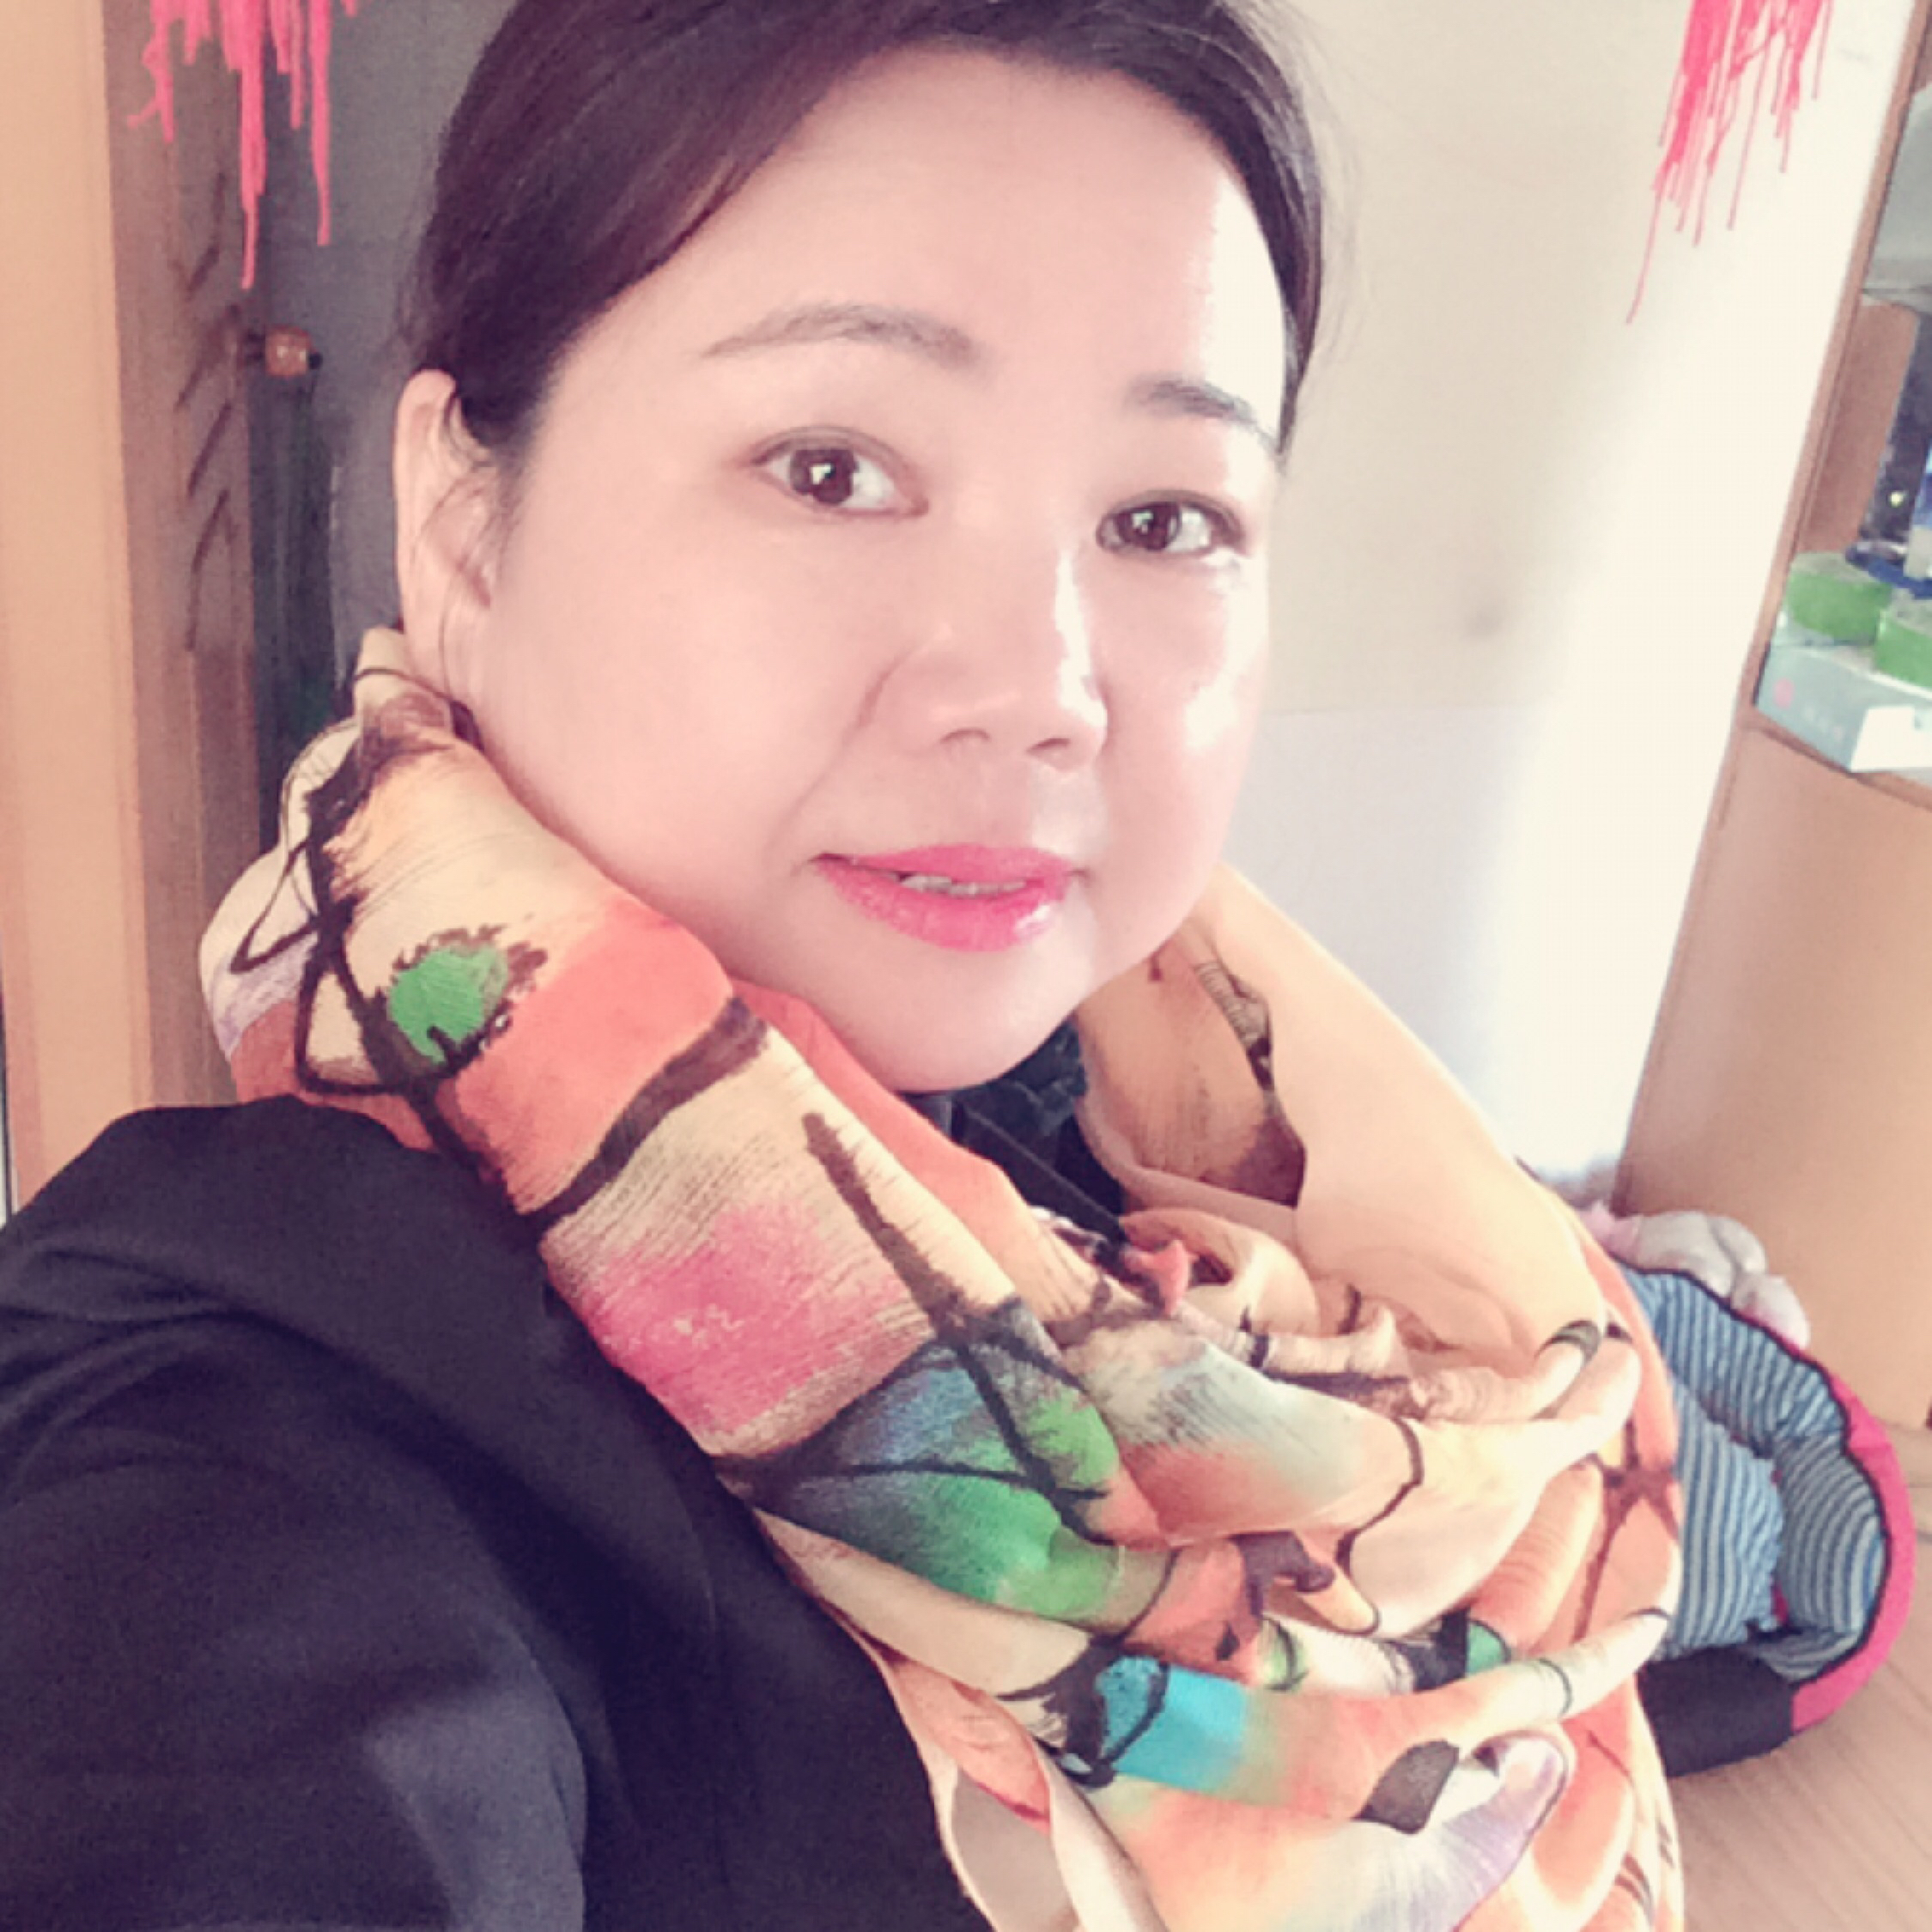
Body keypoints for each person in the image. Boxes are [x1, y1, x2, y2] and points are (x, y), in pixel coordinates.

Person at [0, 2, 1684, 1928]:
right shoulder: (260, 1456)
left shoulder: (1164, 1136)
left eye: (1162, 517)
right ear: (460, 528)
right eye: (828, 468)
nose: (1037, 688)